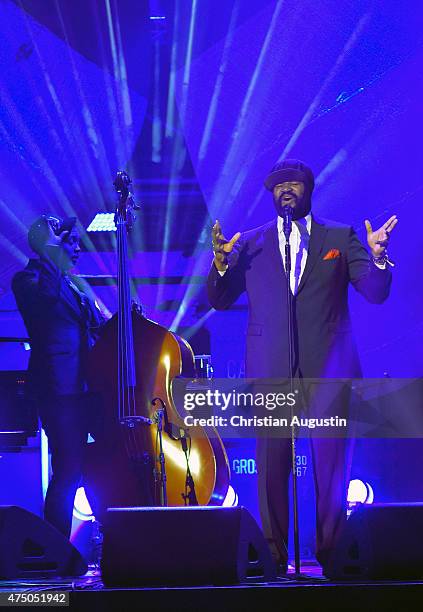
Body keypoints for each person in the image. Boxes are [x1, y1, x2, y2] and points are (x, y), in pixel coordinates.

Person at [207, 159, 397, 574]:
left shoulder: (339, 236)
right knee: (272, 464)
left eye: (294, 183)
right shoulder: (252, 243)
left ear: (309, 189)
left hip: (329, 368)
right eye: (278, 185)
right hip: (271, 367)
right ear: (271, 195)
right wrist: (221, 265)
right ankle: (275, 557)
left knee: (331, 467)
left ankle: (330, 555)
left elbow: (374, 292)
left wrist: (378, 258)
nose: (286, 190)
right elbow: (220, 300)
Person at [12, 215, 105, 538]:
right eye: (69, 241)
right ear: (47, 243)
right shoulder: (26, 279)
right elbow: (45, 304)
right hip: (58, 390)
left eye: (76, 243)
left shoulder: (71, 285)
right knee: (68, 469)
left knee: (92, 467)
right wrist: (52, 251)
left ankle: (110, 540)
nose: (75, 248)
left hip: (86, 389)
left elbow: (97, 326)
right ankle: (59, 550)